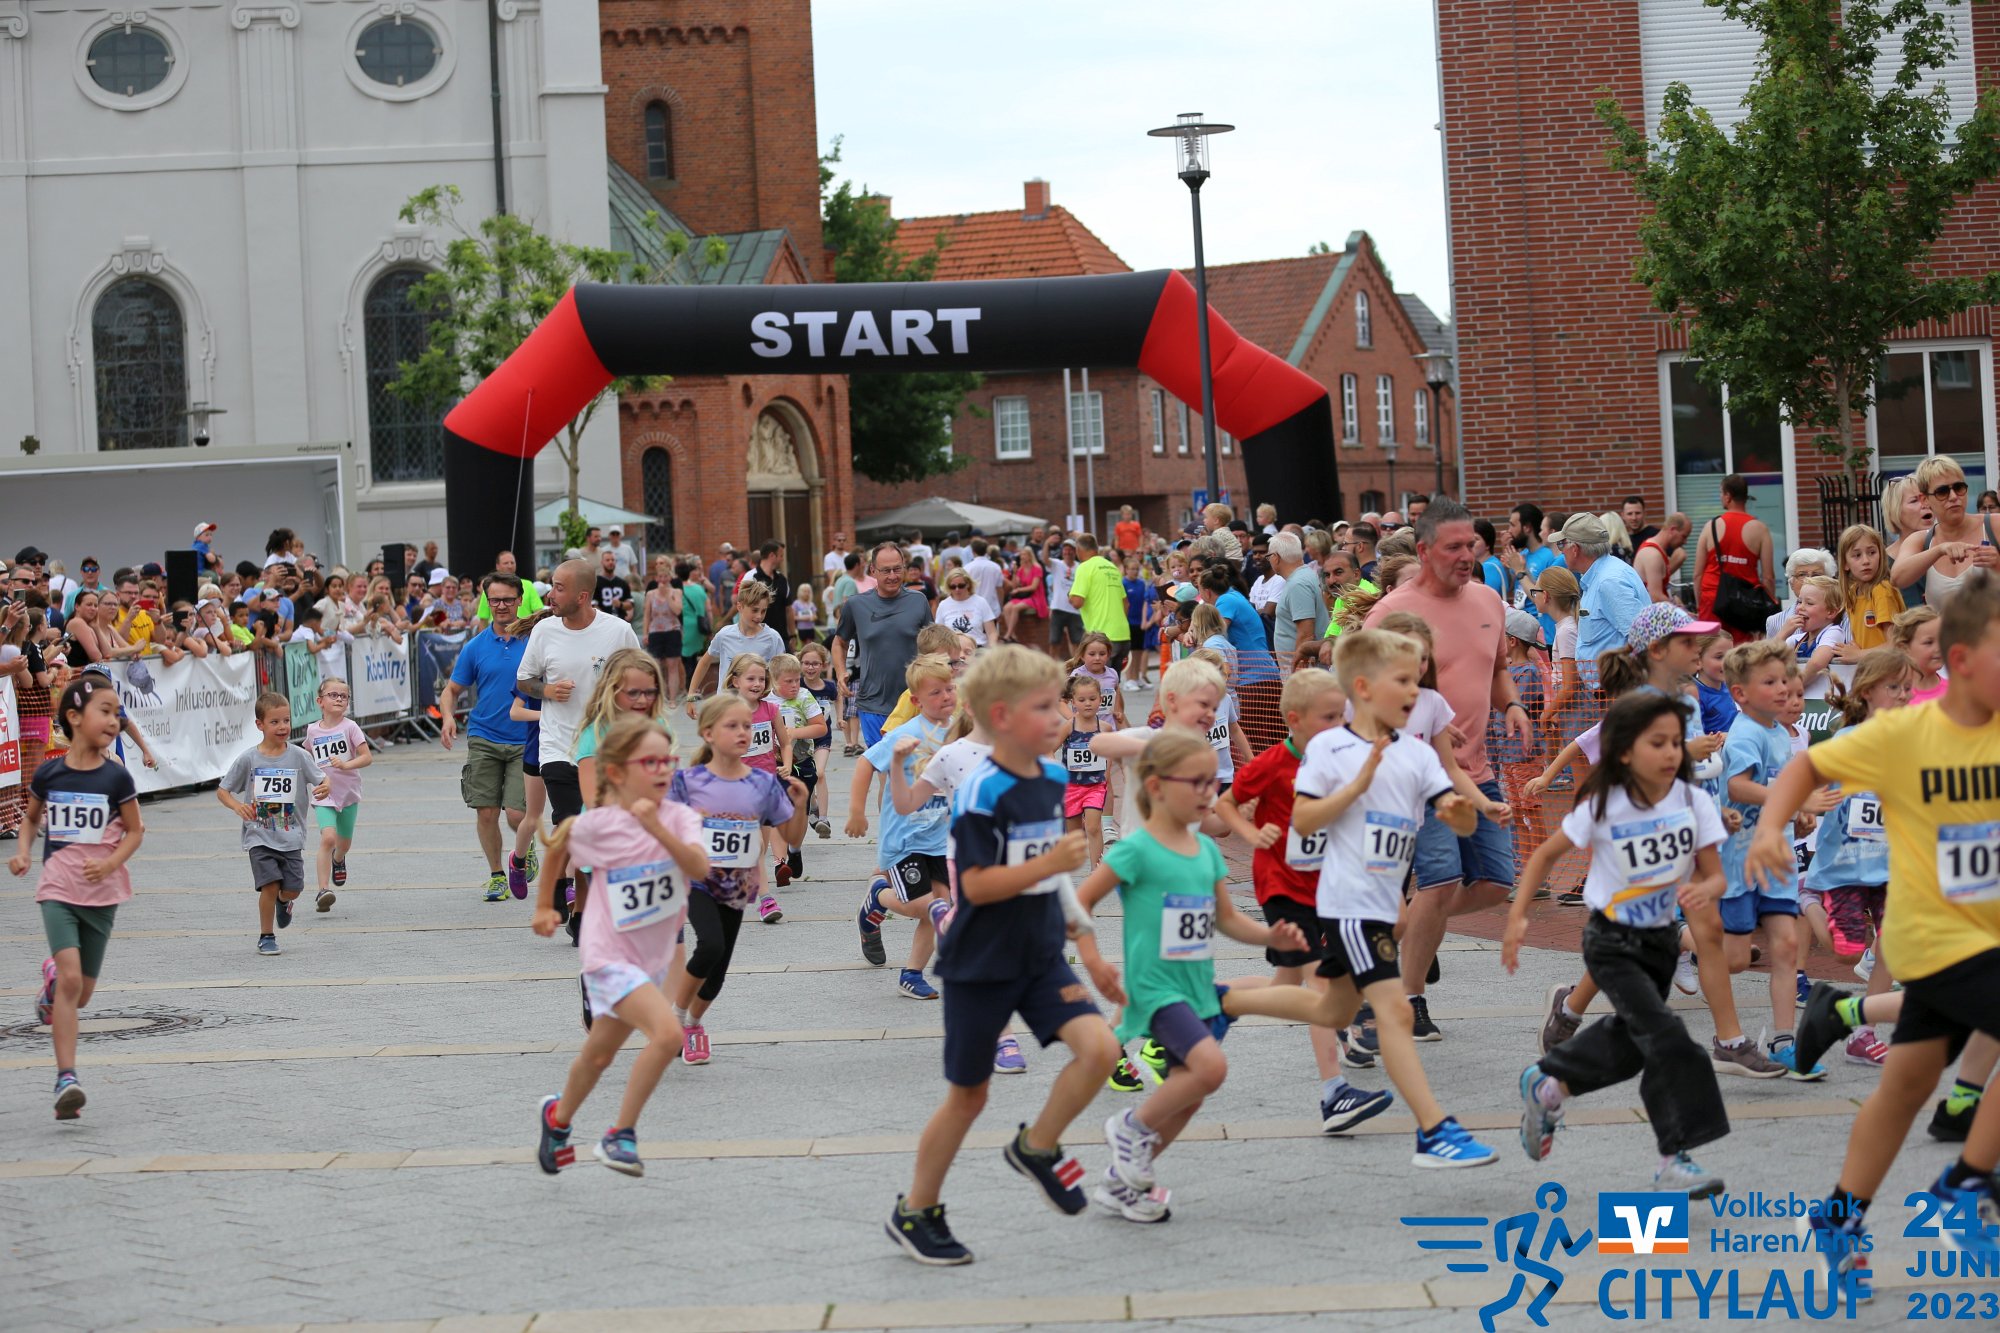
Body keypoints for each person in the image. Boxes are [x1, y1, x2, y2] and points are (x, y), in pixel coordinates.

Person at [1746, 569, 2000, 1288]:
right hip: (1935, 938)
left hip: (1990, 934)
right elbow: (1806, 767)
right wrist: (1770, 827)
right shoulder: (1903, 734)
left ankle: (1838, 1214)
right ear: (1961, 661)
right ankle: (1969, 1183)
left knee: (1905, 1086)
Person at [885, 646, 1118, 1265]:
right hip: (981, 960)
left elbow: (1057, 878)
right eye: (1044, 708)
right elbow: (978, 885)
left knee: (1101, 1050)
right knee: (969, 1097)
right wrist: (1051, 863)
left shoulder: (1053, 778)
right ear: (1001, 716)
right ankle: (916, 1211)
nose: (1060, 718)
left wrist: (1089, 948)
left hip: (1040, 952)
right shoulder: (981, 791)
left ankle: (1038, 1146)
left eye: (1059, 706)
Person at [1069, 728, 1357, 1222]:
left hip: (1197, 990)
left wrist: (1271, 937)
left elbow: (1227, 919)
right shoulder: (1136, 851)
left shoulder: (1204, 852)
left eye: (1213, 782)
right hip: (1155, 991)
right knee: (1211, 1069)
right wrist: (1094, 961)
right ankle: (1130, 1127)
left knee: (1189, 1095)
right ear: (1157, 787)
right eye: (1197, 782)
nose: (1210, 792)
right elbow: (1080, 902)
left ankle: (1120, 1185)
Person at [1505, 691, 1731, 1195]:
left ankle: (1547, 1086)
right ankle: (1674, 1157)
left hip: (1660, 944)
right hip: (1611, 941)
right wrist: (1517, 918)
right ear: (1625, 751)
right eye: (1658, 743)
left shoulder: (1693, 801)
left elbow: (1715, 875)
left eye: (1676, 742)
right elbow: (1544, 855)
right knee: (1669, 1038)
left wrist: (1704, 889)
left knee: (1632, 1046)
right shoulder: (1606, 803)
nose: (1671, 752)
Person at [1292, 629, 1496, 1167]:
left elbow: (1457, 814)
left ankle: (1223, 1003)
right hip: (1348, 904)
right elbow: (1304, 819)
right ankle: (1434, 1132)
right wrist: (1357, 786)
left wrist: (1464, 814)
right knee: (1394, 1011)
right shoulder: (1330, 747)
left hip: (1386, 906)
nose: (1415, 691)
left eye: (1416, 679)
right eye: (1403, 680)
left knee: (1329, 1006)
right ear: (1362, 687)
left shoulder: (1418, 754)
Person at [1362, 500, 1532, 1038]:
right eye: (1453, 547)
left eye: (1471, 546)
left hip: (1475, 771)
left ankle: (1406, 929)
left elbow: (1498, 669)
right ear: (1423, 550)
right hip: (1416, 778)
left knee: (1496, 883)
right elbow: (1362, 698)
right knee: (1441, 881)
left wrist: (1513, 705)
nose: (1466, 556)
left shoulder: (1488, 599)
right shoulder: (1391, 614)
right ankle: (1409, 998)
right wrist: (1417, 718)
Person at [1214, 667, 1395, 1131]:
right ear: (1294, 720)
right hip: (1282, 886)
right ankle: (1334, 1092)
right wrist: (1252, 834)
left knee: (1285, 986)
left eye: (1342, 716)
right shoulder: (1273, 763)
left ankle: (1215, 997)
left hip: (1326, 889)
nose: (1339, 725)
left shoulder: (1342, 758)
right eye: (1328, 717)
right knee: (1321, 989)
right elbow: (1225, 804)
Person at [529, 718, 706, 1176]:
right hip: (607, 957)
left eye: (668, 760)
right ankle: (620, 1134)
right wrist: (545, 905)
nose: (663, 769)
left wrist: (658, 829)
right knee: (667, 1035)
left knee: (598, 1055)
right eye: (650, 762)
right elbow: (558, 847)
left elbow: (699, 867)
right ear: (617, 772)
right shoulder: (600, 825)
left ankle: (557, 1119)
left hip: (653, 963)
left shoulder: (679, 817)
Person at [8, 677, 144, 1120]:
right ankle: (66, 1077)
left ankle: (52, 980)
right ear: (74, 717)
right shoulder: (50, 773)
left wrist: (110, 863)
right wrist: (24, 851)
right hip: (58, 889)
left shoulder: (116, 776)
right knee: (71, 982)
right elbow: (31, 820)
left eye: (117, 712)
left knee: (80, 994)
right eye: (105, 711)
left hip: (102, 895)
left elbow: (135, 830)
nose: (114, 720)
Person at [1717, 641, 1840, 1077]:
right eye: (1769, 682)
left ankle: (1785, 1042)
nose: (1783, 688)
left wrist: (1798, 817)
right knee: (1735, 960)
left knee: (1786, 945)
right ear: (1740, 693)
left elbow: (1780, 791)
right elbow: (1738, 787)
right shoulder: (1746, 732)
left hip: (1778, 859)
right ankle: (1677, 945)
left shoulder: (1780, 733)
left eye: (1785, 679)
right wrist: (1796, 800)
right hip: (1740, 860)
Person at [669, 695, 808, 1068]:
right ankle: (676, 1018)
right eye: (732, 726)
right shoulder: (687, 782)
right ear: (708, 733)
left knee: (718, 972)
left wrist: (800, 805)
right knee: (710, 945)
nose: (743, 732)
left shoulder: (762, 783)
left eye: (747, 726)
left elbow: (791, 837)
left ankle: (694, 1023)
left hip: (736, 887)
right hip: (696, 881)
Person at [1800, 647, 1912, 1068]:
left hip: (1891, 865)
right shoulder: (1847, 741)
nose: (1903, 695)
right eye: (1893, 687)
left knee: (1892, 946)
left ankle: (1863, 1034)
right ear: (1866, 692)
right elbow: (1810, 781)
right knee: (1846, 953)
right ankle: (1806, 897)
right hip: (1845, 865)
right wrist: (1807, 805)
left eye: (1907, 687)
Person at [518, 559, 641, 927]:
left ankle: (573, 901)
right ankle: (572, 898)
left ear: (582, 596)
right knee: (572, 823)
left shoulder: (617, 632)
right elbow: (524, 681)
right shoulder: (544, 632)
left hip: (603, 748)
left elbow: (641, 678)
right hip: (556, 745)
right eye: (552, 586)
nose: (551, 595)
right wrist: (547, 690)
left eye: (559, 588)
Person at [850, 655, 960, 1000]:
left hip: (941, 839)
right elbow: (865, 763)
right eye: (935, 692)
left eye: (949, 688)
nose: (946, 696)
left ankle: (911, 974)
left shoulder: (960, 731)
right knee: (922, 906)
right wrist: (856, 812)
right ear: (916, 700)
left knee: (940, 905)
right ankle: (877, 897)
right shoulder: (907, 734)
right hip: (904, 840)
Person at [441, 575, 538, 901]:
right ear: (487, 602)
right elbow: (452, 689)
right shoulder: (476, 646)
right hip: (484, 735)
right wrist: (447, 717)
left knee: (516, 815)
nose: (501, 606)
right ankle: (497, 876)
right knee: (485, 811)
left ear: (520, 600)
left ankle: (525, 847)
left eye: (508, 599)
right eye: (495, 600)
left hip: (525, 737)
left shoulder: (535, 640)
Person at [218, 692, 330, 957]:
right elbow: (223, 791)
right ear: (260, 725)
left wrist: (326, 787)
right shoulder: (249, 759)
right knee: (269, 885)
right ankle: (266, 936)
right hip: (259, 834)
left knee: (293, 889)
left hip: (291, 836)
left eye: (286, 721)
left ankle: (284, 901)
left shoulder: (299, 756)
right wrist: (237, 806)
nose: (282, 727)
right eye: (275, 722)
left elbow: (323, 778)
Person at [833, 542, 934, 749]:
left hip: (913, 700)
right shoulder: (856, 604)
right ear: (873, 571)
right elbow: (839, 642)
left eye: (897, 569)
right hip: (873, 703)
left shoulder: (918, 601)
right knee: (882, 764)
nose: (892, 576)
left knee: (912, 764)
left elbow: (933, 646)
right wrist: (841, 671)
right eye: (886, 570)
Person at [1891, 456, 2000, 608]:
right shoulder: (1921, 540)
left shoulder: (1994, 525)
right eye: (1942, 492)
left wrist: (1997, 565)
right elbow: (1897, 578)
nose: (1953, 497)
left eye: (1959, 488)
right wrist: (1940, 550)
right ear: (1925, 499)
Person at [305, 677, 370, 914]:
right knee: (328, 839)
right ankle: (323, 890)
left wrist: (345, 765)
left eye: (344, 696)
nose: (339, 699)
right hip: (324, 794)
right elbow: (307, 758)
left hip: (348, 793)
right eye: (333, 695)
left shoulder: (350, 727)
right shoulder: (312, 730)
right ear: (320, 701)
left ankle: (339, 859)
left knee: (343, 844)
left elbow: (367, 757)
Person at [1559, 514, 1650, 671]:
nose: (1561, 551)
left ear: (1575, 549)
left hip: (1620, 683)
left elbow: (1641, 637)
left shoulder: (1608, 581)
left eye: (1562, 544)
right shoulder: (1603, 574)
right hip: (1611, 682)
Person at [1693, 474, 1777, 642]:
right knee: (1743, 652)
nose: (1720, 497)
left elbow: (1697, 574)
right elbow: (1768, 577)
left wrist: (1699, 605)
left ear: (1728, 496)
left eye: (1721, 493)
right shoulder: (1760, 529)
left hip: (1712, 598)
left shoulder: (1711, 526)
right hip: (1745, 602)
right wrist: (1766, 613)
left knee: (1709, 649)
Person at [685, 580, 786, 711]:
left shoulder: (773, 638)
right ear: (740, 606)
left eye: (763, 611)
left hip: (760, 709)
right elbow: (704, 662)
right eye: (755, 610)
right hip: (726, 707)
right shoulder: (725, 635)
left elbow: (782, 673)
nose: (759, 616)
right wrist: (691, 696)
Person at [1269, 532, 1327, 674]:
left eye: (1268, 556)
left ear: (1275, 557)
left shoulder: (1298, 584)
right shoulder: (1303, 576)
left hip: (1304, 674)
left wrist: (1298, 674)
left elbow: (1306, 634)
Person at [1633, 513, 1690, 603]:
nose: (1685, 542)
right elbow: (1655, 597)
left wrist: (1674, 601)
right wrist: (1676, 607)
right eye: (1684, 536)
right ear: (1673, 530)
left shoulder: (1658, 551)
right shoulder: (1653, 554)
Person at [935, 569, 998, 647]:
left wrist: (992, 649)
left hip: (977, 648)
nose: (957, 589)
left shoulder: (981, 602)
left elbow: (991, 632)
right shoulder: (943, 605)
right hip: (953, 649)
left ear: (968, 584)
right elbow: (939, 635)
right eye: (953, 587)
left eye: (961, 586)